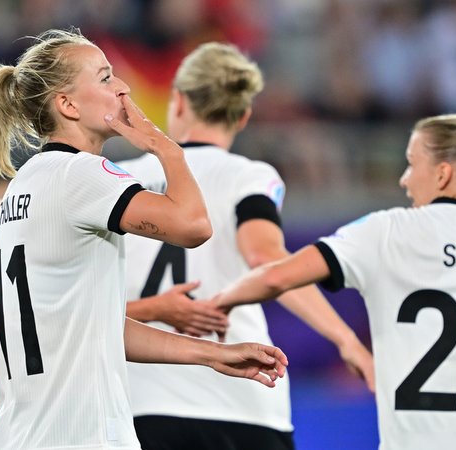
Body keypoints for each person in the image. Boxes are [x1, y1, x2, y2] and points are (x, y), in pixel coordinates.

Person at [0, 28, 288, 450]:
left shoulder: (24, 185)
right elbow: (194, 226)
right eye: (105, 78)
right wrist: (164, 146)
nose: (122, 87)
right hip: (80, 435)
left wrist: (213, 355)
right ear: (67, 104)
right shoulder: (82, 174)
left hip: (22, 433)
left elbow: (96, 327)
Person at [213, 113, 456, 450]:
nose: (404, 179)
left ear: (443, 174)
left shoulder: (385, 232)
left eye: (411, 164)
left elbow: (276, 275)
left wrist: (218, 301)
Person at [117, 42, 373, 450]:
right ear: (244, 115)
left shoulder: (117, 179)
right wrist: (346, 340)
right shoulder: (249, 176)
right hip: (241, 401)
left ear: (178, 101)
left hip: (140, 402)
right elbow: (266, 257)